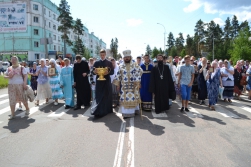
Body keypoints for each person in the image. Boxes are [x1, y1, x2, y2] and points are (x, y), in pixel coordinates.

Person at [113, 50, 142, 118]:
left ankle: (134, 111)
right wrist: (117, 84)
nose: (126, 58)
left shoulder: (134, 64)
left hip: (133, 85)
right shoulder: (121, 66)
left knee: (133, 98)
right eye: (125, 57)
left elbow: (140, 71)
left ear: (130, 57)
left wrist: (137, 82)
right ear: (123, 58)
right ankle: (126, 113)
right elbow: (118, 75)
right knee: (125, 99)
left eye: (128, 57)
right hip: (124, 86)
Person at [92, 49, 114, 117]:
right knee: (99, 96)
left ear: (105, 55)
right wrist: (94, 72)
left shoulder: (109, 63)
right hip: (99, 81)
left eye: (103, 55)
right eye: (101, 55)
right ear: (99, 55)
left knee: (106, 96)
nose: (102, 56)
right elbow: (92, 71)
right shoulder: (96, 63)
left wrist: (108, 72)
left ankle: (106, 110)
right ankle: (98, 110)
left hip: (106, 81)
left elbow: (112, 72)